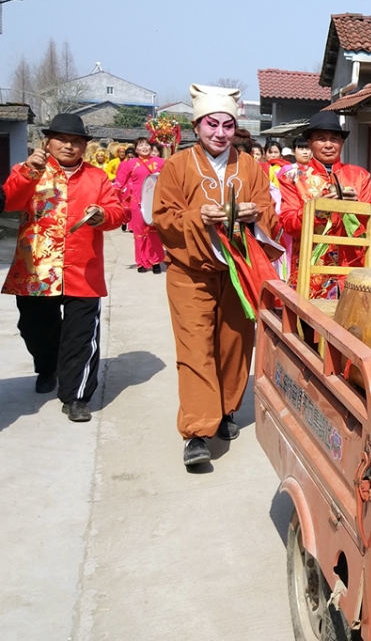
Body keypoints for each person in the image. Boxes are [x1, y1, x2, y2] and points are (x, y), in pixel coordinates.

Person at [151, 84, 280, 468]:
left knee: (235, 345)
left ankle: (225, 409)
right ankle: (196, 431)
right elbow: (163, 218)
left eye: (227, 125)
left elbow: (267, 209)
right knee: (195, 348)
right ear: (196, 125)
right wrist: (198, 217)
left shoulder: (250, 166)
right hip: (191, 271)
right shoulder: (177, 166)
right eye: (212, 124)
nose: (219, 133)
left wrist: (254, 215)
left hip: (238, 268)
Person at [2, 114, 124, 421]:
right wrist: (30, 172)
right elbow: (10, 201)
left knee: (80, 336)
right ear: (48, 142)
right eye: (62, 140)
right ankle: (47, 366)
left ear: (84, 146)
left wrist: (103, 215)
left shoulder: (96, 177)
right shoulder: (28, 170)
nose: (69, 146)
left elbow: (118, 211)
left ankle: (76, 397)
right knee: (34, 329)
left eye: (76, 141)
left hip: (82, 270)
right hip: (35, 270)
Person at [277, 112, 371, 299]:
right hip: (311, 269)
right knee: (309, 325)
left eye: (334, 139)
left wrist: (357, 206)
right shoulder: (293, 178)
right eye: (321, 139)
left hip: (352, 266)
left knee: (352, 325)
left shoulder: (360, 176)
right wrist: (319, 211)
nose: (329, 145)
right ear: (309, 142)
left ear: (342, 143)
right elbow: (288, 222)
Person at [115, 136, 166, 274]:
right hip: (137, 202)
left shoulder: (161, 162)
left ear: (151, 147)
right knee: (139, 234)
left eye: (147, 145)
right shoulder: (129, 164)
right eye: (140, 145)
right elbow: (119, 183)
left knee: (154, 233)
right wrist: (115, 201)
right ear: (136, 149)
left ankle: (156, 261)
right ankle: (141, 262)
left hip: (155, 202)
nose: (144, 148)